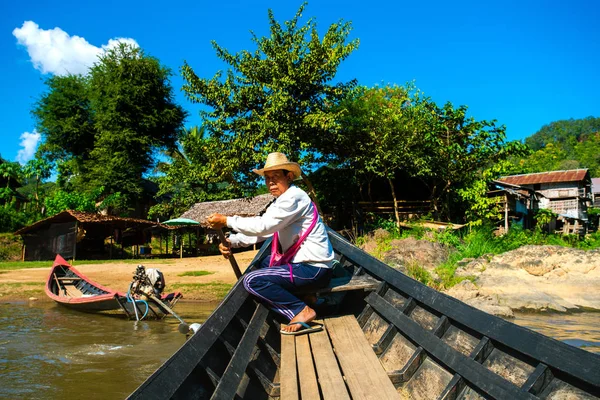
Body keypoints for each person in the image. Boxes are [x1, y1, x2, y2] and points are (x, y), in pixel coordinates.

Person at [207, 152, 334, 334]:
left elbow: (264, 227)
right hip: (304, 267)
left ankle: (301, 309)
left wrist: (227, 220)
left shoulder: (294, 197)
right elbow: (263, 230)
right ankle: (308, 296)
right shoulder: (280, 202)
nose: (270, 183)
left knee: (251, 280)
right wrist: (231, 241)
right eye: (267, 179)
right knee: (262, 264)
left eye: (276, 177)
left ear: (289, 176)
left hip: (314, 269)